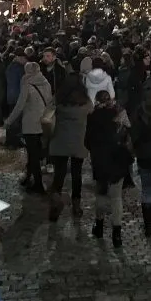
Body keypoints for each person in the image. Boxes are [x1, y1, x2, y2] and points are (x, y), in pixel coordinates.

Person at [84, 91, 132, 248]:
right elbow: (128, 134)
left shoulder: (92, 117)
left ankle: (99, 226)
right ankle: (116, 234)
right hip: (117, 159)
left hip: (100, 160)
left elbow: (87, 141)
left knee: (101, 193)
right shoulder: (120, 113)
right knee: (116, 197)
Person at [46, 81, 91, 221]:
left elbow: (46, 115)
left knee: (59, 174)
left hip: (60, 141)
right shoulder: (86, 104)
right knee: (77, 175)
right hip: (79, 142)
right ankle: (76, 205)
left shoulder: (58, 102)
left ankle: (56, 201)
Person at [4, 61, 51, 195]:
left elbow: (20, 104)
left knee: (32, 154)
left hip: (31, 123)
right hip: (44, 122)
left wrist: (9, 121)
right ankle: (29, 177)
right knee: (35, 153)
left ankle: (38, 184)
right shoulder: (45, 82)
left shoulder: (27, 83)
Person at [130, 82, 151, 238]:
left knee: (147, 191)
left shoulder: (138, 114)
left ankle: (149, 227)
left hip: (143, 156)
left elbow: (134, 136)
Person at [3, 50, 26, 147]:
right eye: (24, 59)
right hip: (17, 96)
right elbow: (22, 82)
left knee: (12, 118)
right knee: (16, 119)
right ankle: (14, 141)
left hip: (10, 95)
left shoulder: (9, 67)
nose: (25, 61)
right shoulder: (19, 68)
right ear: (19, 57)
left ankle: (9, 140)